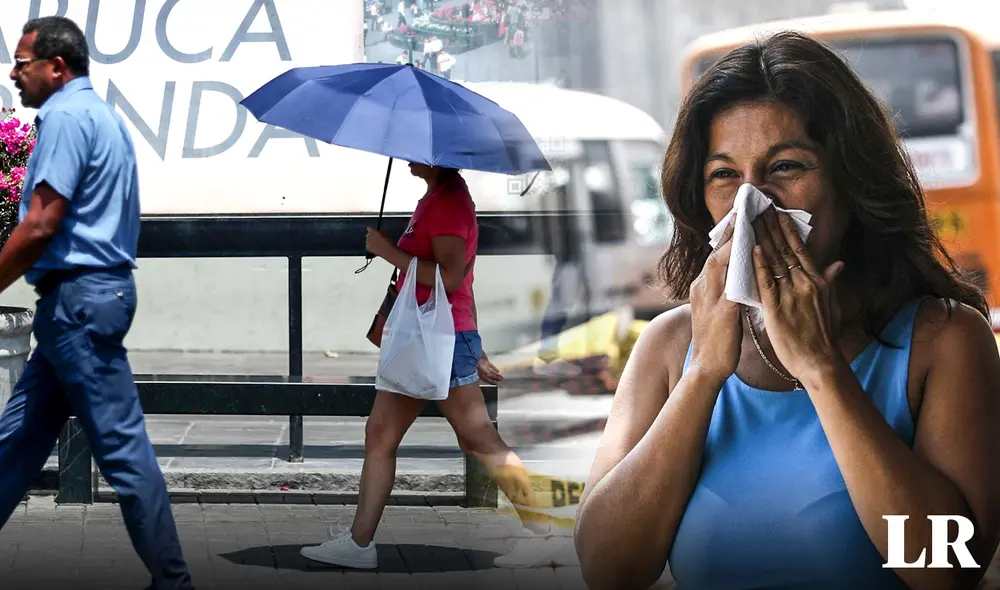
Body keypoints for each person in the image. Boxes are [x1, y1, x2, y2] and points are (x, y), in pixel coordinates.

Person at [574, 31, 1000, 590]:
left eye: (786, 167)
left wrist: (822, 369)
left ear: (852, 184)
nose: (753, 202)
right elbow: (609, 571)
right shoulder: (670, 345)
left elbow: (945, 574)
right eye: (725, 175)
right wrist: (703, 375)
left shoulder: (943, 340)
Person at [0, 16, 193, 590]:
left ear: (57, 68)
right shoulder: (103, 117)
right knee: (16, 444)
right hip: (81, 302)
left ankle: (174, 581)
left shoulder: (63, 115)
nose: (14, 73)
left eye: (23, 62)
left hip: (79, 303)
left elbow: (39, 222)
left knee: (122, 449)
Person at [299, 163, 557, 569]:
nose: (404, 155)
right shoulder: (438, 197)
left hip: (438, 340)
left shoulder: (450, 201)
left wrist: (388, 252)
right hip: (431, 337)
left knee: (476, 438)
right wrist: (475, 345)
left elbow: (452, 279)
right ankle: (359, 543)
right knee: (385, 433)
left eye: (413, 148)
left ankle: (542, 533)